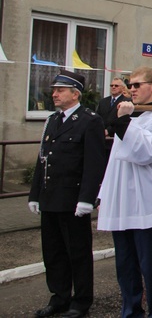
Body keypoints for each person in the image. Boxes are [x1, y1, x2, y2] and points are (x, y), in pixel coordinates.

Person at [97, 66, 152, 317]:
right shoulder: (130, 115)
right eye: (129, 85)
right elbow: (115, 161)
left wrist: (122, 122)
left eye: (137, 85)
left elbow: (145, 152)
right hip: (121, 199)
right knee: (125, 263)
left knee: (149, 265)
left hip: (146, 201)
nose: (131, 89)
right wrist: (105, 193)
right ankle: (131, 310)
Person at [28, 70, 107, 318]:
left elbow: (94, 164)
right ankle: (59, 297)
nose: (54, 94)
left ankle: (81, 301)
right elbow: (43, 160)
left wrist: (87, 198)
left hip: (73, 200)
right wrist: (34, 194)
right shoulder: (53, 120)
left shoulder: (89, 120)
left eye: (60, 90)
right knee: (53, 253)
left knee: (78, 253)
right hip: (50, 196)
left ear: (75, 94)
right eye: (54, 90)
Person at [95, 77, 131, 157]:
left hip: (116, 138)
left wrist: (108, 130)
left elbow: (123, 119)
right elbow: (98, 117)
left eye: (116, 85)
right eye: (111, 85)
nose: (113, 87)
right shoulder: (103, 101)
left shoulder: (127, 102)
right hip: (102, 139)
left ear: (122, 88)